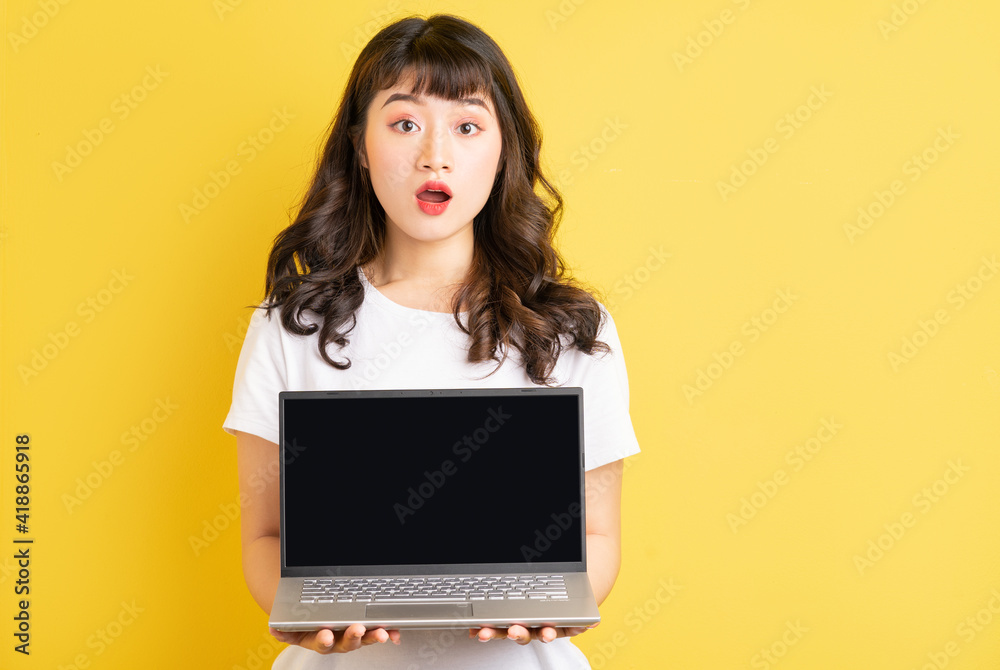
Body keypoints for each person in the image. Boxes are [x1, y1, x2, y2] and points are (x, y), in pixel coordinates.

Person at [222, 13, 641, 669]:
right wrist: (312, 617)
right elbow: (265, 535)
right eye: (404, 122)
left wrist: (551, 606)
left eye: (467, 126)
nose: (434, 154)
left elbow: (600, 536)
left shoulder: (571, 330)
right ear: (361, 146)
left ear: (504, 150)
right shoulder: (290, 325)